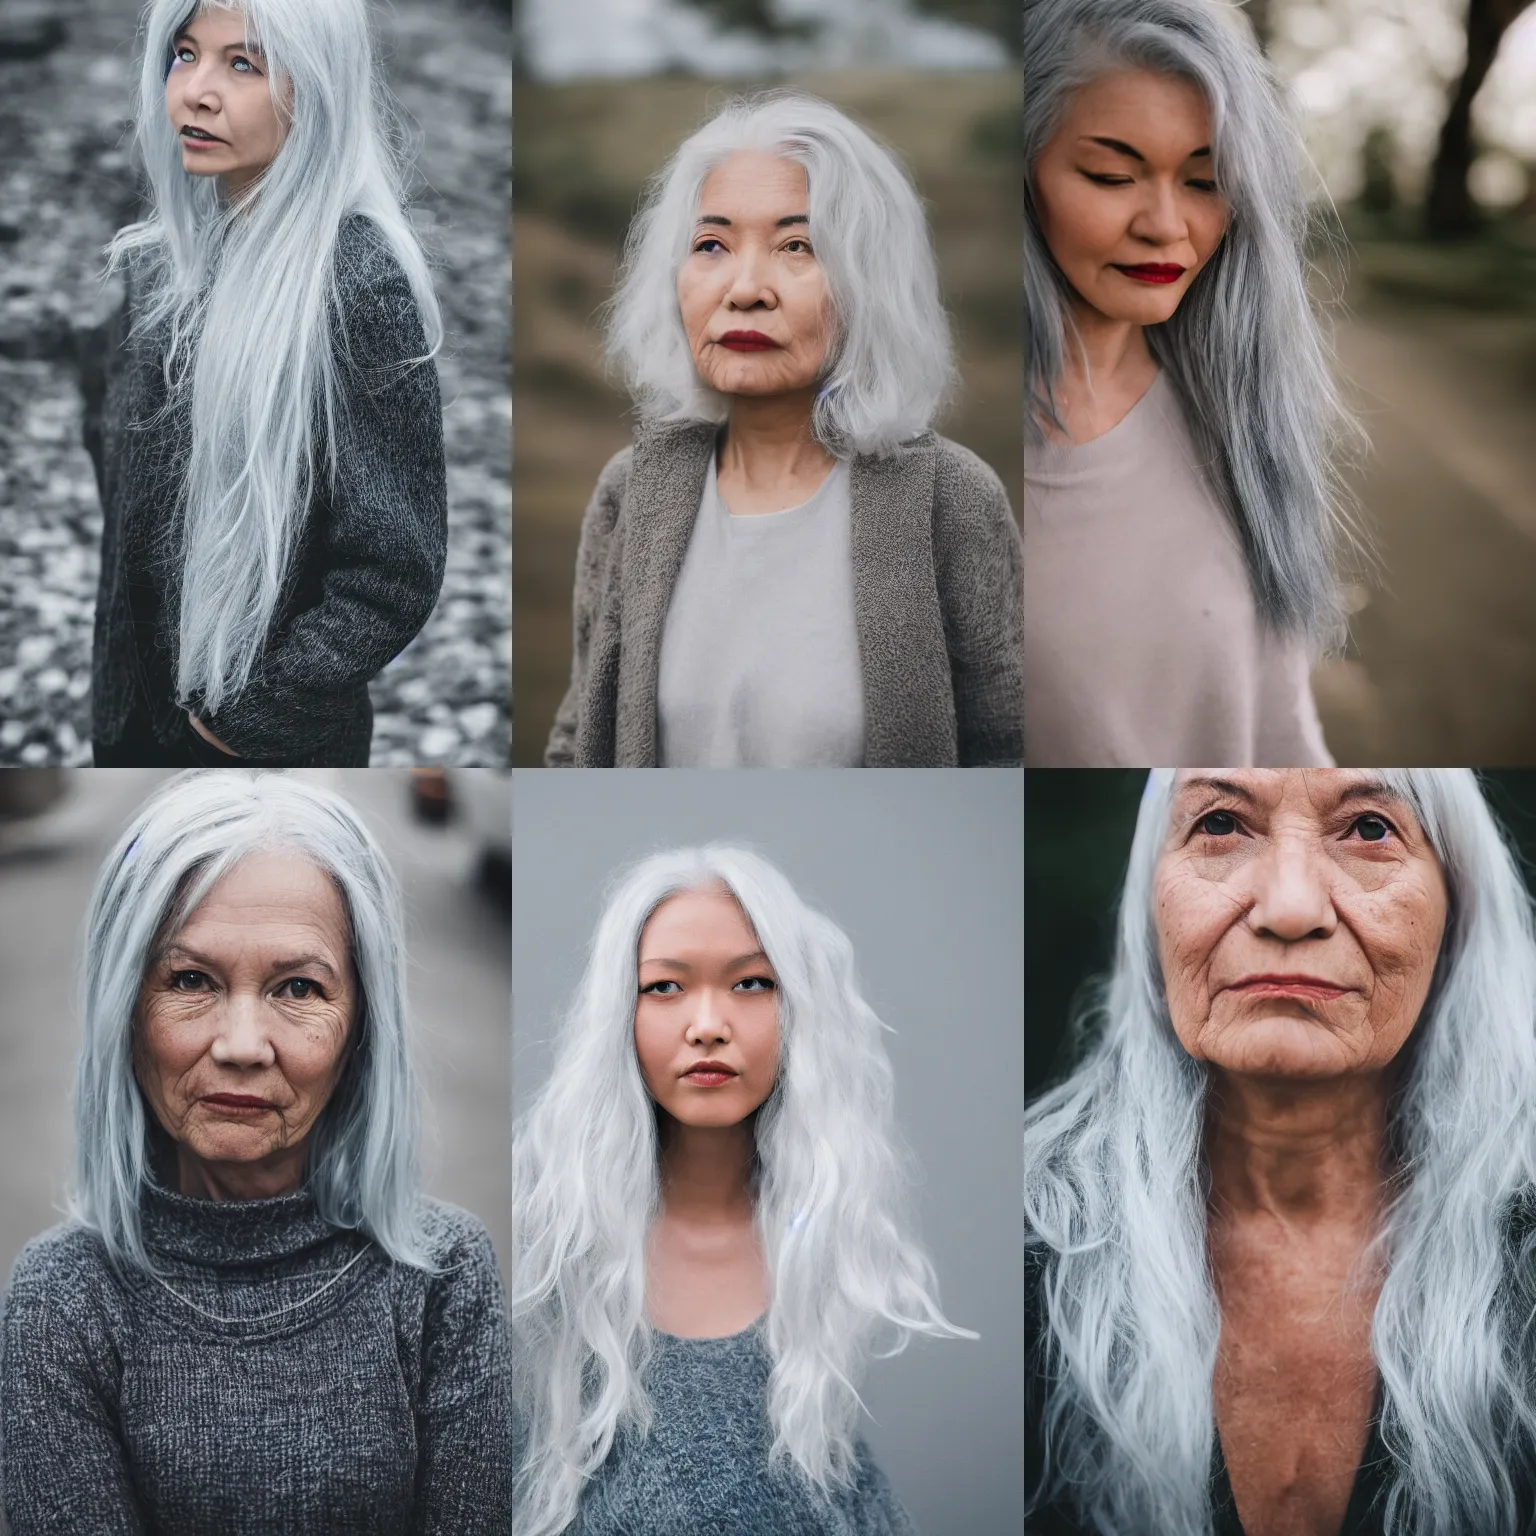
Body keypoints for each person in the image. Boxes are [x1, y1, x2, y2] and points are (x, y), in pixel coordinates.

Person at [1024, 769, 1536, 1534]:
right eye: (1222, 825)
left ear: (1456, 912)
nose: (1290, 909)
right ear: (1150, 905)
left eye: (1369, 830)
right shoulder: (1017, 1247)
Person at [0, 771, 512, 1534]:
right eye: (191, 979)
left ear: (363, 1028)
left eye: (299, 989)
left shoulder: (445, 1278)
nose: (242, 1046)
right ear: (124, 1011)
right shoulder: (60, 1303)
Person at [544, 92, 1023, 769]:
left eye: (797, 246)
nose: (745, 288)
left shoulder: (952, 498)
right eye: (711, 244)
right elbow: (579, 741)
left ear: (869, 282)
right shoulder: (631, 491)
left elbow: (1004, 752)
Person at [511, 847, 973, 1534]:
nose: (707, 1025)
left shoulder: (827, 1240)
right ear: (620, 1013)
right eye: (665, 987)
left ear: (800, 1010)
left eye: (751, 984)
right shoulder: (539, 1239)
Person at [88, 0, 448, 768]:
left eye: (243, 64)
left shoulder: (355, 285)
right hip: (128, 718)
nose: (197, 91)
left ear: (317, 89)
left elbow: (392, 569)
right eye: (186, 55)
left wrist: (253, 717)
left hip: (255, 748)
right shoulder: (164, 264)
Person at [1024, 0, 1363, 767]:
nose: (1166, 225)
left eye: (1206, 181)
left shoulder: (1242, 418)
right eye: (1112, 175)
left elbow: (1281, 726)